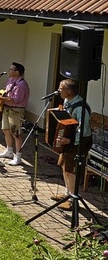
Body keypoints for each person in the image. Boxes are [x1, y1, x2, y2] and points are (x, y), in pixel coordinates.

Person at [51, 79, 92, 211]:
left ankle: (73, 200)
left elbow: (83, 130)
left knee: (72, 170)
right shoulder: (67, 101)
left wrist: (70, 141)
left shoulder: (81, 108)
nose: (58, 90)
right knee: (64, 166)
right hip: (70, 139)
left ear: (69, 91)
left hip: (79, 142)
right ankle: (67, 194)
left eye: (61, 88)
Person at [0, 62, 30, 166]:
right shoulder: (10, 80)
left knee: (16, 133)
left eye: (11, 69)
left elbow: (15, 100)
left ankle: (18, 157)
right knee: (5, 129)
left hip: (16, 110)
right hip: (7, 108)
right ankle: (9, 151)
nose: (9, 71)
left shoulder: (22, 84)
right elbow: (6, 92)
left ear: (17, 72)